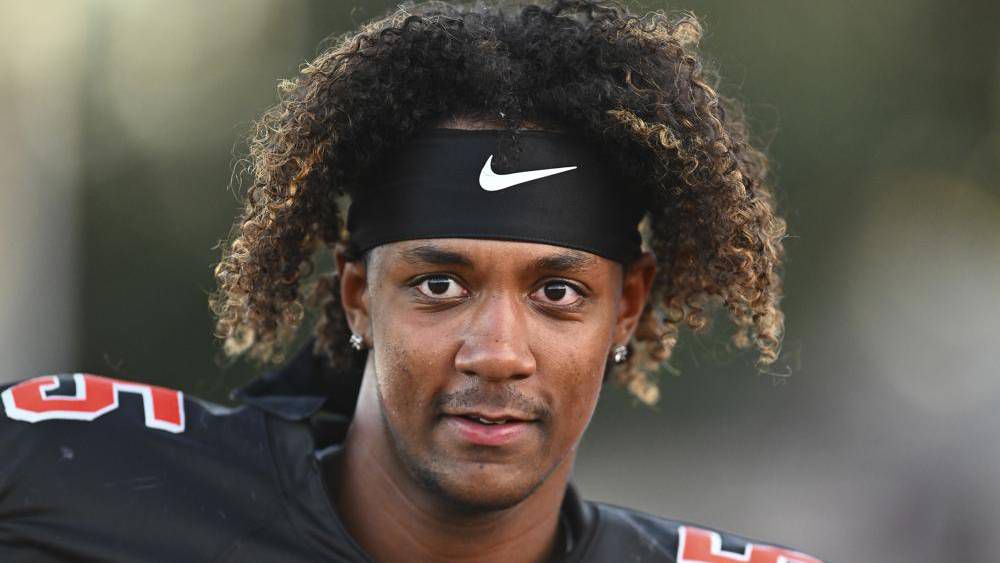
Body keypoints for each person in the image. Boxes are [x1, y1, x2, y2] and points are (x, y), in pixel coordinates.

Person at [0, 1, 821, 561]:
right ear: (358, 294)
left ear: (626, 310)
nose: (497, 352)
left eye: (557, 293)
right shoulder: (72, 478)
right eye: (440, 285)